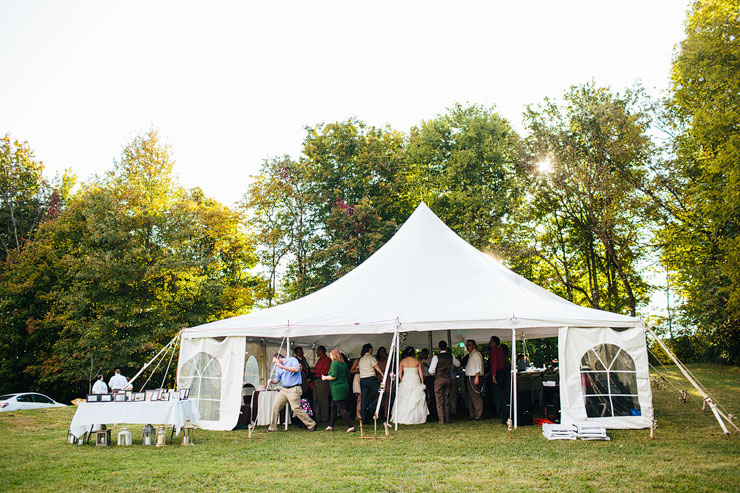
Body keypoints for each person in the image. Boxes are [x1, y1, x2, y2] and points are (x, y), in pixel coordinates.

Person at [267, 353, 317, 432]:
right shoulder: (278, 367)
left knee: (296, 409)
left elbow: (296, 369)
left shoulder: (292, 360)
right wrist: (272, 381)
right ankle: (272, 427)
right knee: (275, 406)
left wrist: (282, 367)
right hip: (283, 390)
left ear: (279, 358)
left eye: (275, 362)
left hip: (294, 389)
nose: (275, 364)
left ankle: (311, 424)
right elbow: (277, 379)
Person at [392, 346, 429, 424]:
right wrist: (422, 382)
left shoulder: (402, 361)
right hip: (415, 379)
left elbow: (400, 373)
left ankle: (402, 416)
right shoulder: (417, 361)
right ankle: (418, 418)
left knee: (404, 398)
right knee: (415, 397)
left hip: (406, 379)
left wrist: (401, 380)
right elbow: (420, 373)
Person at [321, 349, 355, 432]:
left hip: (337, 388)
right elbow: (348, 375)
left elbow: (334, 376)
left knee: (341, 407)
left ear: (334, 355)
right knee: (333, 406)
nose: (330, 356)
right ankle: (330, 425)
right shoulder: (343, 364)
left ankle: (351, 426)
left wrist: (325, 377)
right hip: (344, 386)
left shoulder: (334, 363)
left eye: (331, 355)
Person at [428, 340, 460, 424]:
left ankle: (441, 419)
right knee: (447, 399)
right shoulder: (450, 356)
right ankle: (447, 418)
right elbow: (458, 364)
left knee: (439, 400)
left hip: (439, 379)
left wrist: (435, 373)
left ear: (439, 347)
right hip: (448, 379)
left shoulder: (436, 357)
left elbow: (431, 370)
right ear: (446, 347)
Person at [352, 344, 383, 424]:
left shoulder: (361, 359)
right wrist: (381, 373)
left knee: (364, 399)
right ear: (370, 349)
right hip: (371, 378)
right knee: (381, 392)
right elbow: (376, 366)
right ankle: (371, 406)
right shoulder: (371, 358)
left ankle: (364, 419)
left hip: (363, 380)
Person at [464, 339, 484, 420]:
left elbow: (478, 367)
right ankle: (472, 414)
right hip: (470, 377)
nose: (467, 347)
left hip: (474, 376)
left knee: (476, 396)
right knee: (471, 397)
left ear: (473, 346)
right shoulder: (472, 354)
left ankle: (478, 414)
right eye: (467, 345)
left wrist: (476, 377)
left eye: (469, 345)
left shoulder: (476, 354)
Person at [312, 346, 331, 422]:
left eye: (318, 351)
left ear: (321, 351)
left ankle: (324, 417)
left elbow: (325, 371)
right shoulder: (319, 360)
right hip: (317, 380)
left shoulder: (327, 360)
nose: (316, 352)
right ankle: (317, 417)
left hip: (323, 380)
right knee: (316, 399)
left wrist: (315, 371)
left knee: (323, 399)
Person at [488, 336, 505, 419]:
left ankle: (498, 412)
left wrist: (493, 375)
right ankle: (502, 411)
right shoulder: (500, 350)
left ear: (494, 342)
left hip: (497, 373)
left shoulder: (494, 351)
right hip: (502, 373)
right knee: (501, 393)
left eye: (491, 341)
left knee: (496, 394)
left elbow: (494, 363)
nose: (489, 342)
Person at [420, 348, 435, 419]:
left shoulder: (430, 360)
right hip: (424, 378)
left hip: (430, 377)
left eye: (424, 354)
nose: (423, 355)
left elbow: (432, 369)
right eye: (422, 354)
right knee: (424, 394)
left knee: (432, 393)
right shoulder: (421, 361)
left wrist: (427, 366)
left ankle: (433, 408)